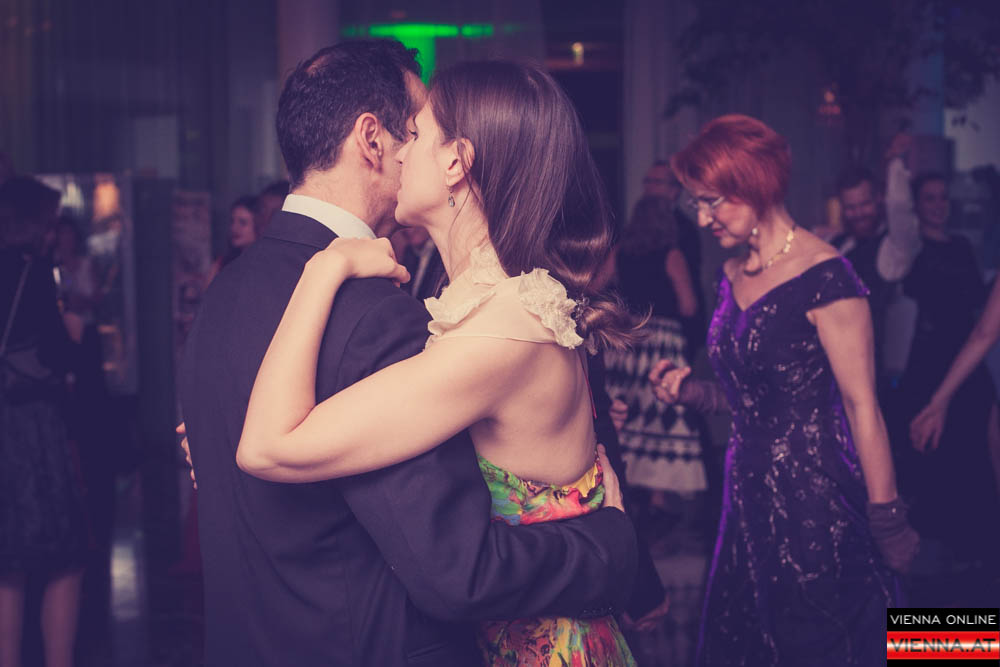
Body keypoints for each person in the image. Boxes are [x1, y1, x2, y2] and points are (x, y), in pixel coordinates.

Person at [178, 42, 637, 667]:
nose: (404, 151)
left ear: (457, 163)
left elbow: (265, 446)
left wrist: (616, 543)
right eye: (409, 131)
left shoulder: (228, 292)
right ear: (372, 140)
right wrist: (609, 545)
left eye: (418, 133)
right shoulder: (403, 314)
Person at [649, 115, 914, 666]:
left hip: (817, 499)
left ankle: (969, 642)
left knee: (840, 641)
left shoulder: (826, 277)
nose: (703, 219)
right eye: (697, 204)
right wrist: (692, 392)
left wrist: (887, 519)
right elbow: (752, 397)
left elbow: (863, 407)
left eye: (712, 202)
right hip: (745, 500)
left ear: (755, 186)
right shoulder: (731, 274)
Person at [0, 177, 88, 667]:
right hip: (31, 428)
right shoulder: (32, 273)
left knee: (6, 563)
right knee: (64, 556)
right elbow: (57, 355)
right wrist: (74, 333)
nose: (55, 232)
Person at [894, 172, 999, 565]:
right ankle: (934, 548)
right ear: (917, 206)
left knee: (973, 446)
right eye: (930, 198)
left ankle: (972, 545)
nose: (939, 205)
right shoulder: (910, 249)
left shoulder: (962, 247)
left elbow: (980, 314)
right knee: (928, 447)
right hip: (930, 358)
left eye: (943, 198)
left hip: (967, 354)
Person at [604, 195, 705, 529]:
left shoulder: (620, 252)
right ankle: (658, 502)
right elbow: (689, 305)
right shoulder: (672, 254)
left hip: (628, 339)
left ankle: (629, 495)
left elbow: (593, 287)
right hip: (661, 343)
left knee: (627, 415)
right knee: (660, 416)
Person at [832, 137, 922, 385]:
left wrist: (894, 163)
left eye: (865, 204)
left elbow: (900, 207)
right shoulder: (839, 244)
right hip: (838, 370)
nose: (858, 213)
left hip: (880, 375)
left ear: (879, 199)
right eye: (851, 207)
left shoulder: (896, 248)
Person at [205, 195, 258, 285]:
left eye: (242, 223)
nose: (234, 228)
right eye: (232, 221)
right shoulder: (221, 264)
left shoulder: (263, 264)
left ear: (259, 224)